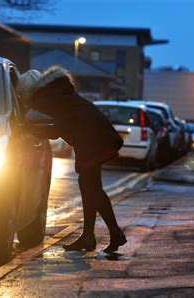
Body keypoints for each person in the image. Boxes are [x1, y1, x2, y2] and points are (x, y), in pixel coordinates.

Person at [16, 66, 127, 253]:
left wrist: (27, 130)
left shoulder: (46, 97)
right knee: (90, 188)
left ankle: (110, 233)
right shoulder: (56, 90)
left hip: (91, 137)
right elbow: (63, 124)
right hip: (94, 132)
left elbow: (57, 129)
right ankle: (92, 236)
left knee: (91, 188)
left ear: (26, 90)